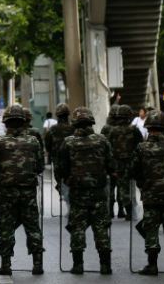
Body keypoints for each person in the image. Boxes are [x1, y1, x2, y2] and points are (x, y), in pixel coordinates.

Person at [56, 107, 115, 275]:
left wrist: (65, 180)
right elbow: (112, 166)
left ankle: (78, 265)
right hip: (98, 192)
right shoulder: (102, 140)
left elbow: (62, 168)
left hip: (78, 193)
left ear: (75, 123)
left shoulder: (68, 142)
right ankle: (105, 265)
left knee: (77, 228)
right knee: (101, 227)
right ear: (91, 122)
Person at [0, 104, 45, 276]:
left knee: (7, 227)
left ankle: (6, 264)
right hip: (28, 190)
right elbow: (41, 166)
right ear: (23, 122)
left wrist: (0, 180)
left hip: (7, 191)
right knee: (33, 227)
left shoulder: (0, 142)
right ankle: (37, 264)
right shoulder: (33, 141)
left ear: (6, 122)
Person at [132, 110, 164, 275]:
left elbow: (134, 170)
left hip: (150, 196)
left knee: (151, 230)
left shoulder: (141, 147)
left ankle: (152, 265)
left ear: (148, 127)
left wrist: (142, 183)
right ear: (163, 126)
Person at [106, 104, 143, 220]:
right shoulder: (134, 130)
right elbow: (140, 148)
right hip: (132, 164)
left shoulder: (112, 131)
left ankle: (126, 211)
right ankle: (131, 212)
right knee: (131, 189)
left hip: (118, 166)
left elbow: (108, 150)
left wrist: (110, 167)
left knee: (121, 189)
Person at [44, 103, 75, 207]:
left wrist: (52, 154)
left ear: (57, 115)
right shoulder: (73, 128)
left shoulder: (52, 130)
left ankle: (67, 199)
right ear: (68, 114)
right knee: (72, 180)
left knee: (61, 181)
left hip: (57, 160)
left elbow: (47, 145)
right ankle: (70, 201)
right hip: (72, 160)